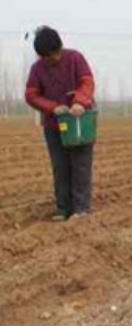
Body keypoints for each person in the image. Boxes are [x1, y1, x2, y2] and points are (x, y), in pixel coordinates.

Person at [24, 26, 96, 221]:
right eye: (47, 57)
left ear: (60, 47)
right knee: (60, 166)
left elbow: (87, 82)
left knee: (80, 164)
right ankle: (63, 209)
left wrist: (80, 101)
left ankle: (81, 209)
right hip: (54, 126)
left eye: (55, 54)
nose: (53, 59)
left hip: (80, 123)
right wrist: (53, 107)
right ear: (41, 56)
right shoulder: (37, 69)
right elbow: (31, 95)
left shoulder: (75, 58)